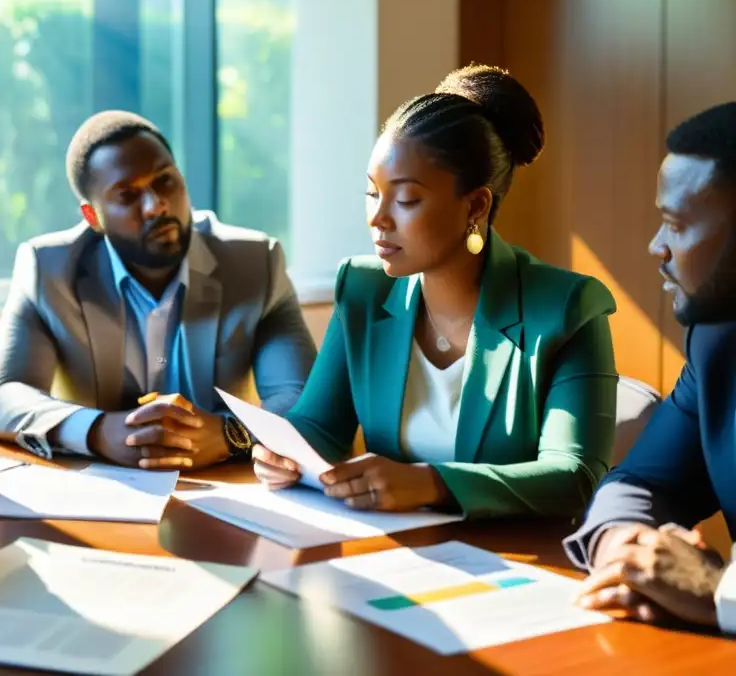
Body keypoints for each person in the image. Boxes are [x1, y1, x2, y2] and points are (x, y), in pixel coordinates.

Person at [252, 64, 619, 519]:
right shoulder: (363, 290)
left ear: (476, 204)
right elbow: (319, 425)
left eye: (405, 199)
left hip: (518, 564)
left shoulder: (567, 309)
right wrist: (284, 453)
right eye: (373, 194)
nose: (378, 218)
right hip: (397, 555)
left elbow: (575, 476)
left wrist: (432, 483)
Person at [0, 110, 317, 470]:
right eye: (127, 195)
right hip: (108, 495)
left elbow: (304, 399)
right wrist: (99, 431)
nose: (156, 205)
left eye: (165, 181)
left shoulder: (255, 263)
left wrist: (229, 434)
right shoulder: (49, 269)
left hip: (229, 486)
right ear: (92, 217)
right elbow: (0, 399)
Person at [565, 101, 736, 635]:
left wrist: (718, 590)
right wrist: (626, 548)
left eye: (675, 225)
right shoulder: (715, 344)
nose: (656, 247)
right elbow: (639, 482)